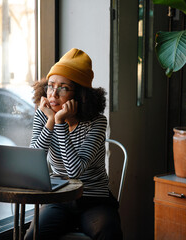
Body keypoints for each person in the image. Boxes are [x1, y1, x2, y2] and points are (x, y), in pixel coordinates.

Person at [25, 48, 123, 240]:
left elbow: (74, 171)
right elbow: (34, 158)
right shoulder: (43, 114)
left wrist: (60, 123)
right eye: (51, 85)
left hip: (94, 200)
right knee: (32, 237)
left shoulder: (97, 122)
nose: (53, 93)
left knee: (109, 233)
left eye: (63, 87)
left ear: (79, 94)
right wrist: (51, 121)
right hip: (58, 198)